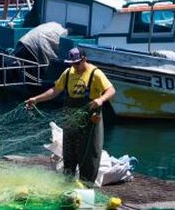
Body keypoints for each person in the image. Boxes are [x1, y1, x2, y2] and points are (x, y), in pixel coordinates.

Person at [26, 47, 115, 183]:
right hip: (70, 120)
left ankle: (86, 185)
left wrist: (101, 99)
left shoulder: (95, 74)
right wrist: (36, 99)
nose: (75, 66)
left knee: (88, 154)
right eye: (72, 63)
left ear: (84, 59)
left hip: (89, 122)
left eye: (77, 63)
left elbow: (111, 90)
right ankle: (68, 184)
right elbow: (55, 90)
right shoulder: (68, 73)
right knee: (69, 152)